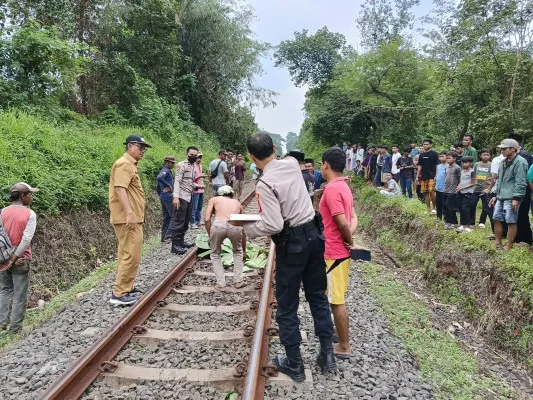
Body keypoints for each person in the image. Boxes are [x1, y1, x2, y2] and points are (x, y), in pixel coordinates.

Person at [242, 132, 336, 382]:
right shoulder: (293, 164)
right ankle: (328, 355)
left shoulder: (265, 184)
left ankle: (295, 363)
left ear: (252, 157)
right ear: (274, 147)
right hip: (315, 237)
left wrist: (248, 229)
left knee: (287, 305)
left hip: (292, 246)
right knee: (317, 296)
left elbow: (273, 224)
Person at [319, 147, 357, 359]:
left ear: (326, 164)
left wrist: (348, 241)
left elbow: (342, 222)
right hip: (339, 250)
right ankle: (337, 334)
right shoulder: (343, 186)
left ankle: (344, 346)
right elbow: (353, 218)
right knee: (335, 295)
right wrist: (350, 240)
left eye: (321, 165)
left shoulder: (332, 190)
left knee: (336, 300)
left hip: (333, 251)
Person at [108, 134, 151, 305]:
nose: (143, 151)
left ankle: (127, 287)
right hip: (128, 219)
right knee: (131, 255)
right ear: (131, 146)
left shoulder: (129, 164)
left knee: (128, 253)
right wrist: (129, 213)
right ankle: (119, 294)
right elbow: (120, 189)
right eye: (141, 148)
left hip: (130, 217)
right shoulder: (124, 164)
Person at [0, 182, 39, 332]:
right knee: (20, 293)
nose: (31, 197)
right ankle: (15, 328)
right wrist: (14, 259)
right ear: (22, 196)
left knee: (5, 290)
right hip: (20, 260)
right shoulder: (30, 214)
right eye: (30, 194)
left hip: (2, 260)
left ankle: (2, 324)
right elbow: (26, 239)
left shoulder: (2, 212)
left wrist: (6, 259)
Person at [490, 139, 529, 250]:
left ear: (513, 149)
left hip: (512, 196)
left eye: (504, 148)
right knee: (496, 218)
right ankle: (498, 242)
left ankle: (509, 245)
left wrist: (516, 198)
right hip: (501, 195)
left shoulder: (521, 162)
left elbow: (521, 181)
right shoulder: (504, 161)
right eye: (501, 148)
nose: (502, 150)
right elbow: (500, 179)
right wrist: (495, 194)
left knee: (511, 220)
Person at [204, 185, 246, 290]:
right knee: (237, 251)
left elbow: (206, 219)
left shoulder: (214, 199)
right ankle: (238, 281)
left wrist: (210, 235)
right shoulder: (237, 203)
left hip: (219, 225)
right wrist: (244, 250)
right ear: (231, 194)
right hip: (235, 227)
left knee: (215, 254)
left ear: (219, 194)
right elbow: (243, 225)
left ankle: (221, 284)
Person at [168, 146, 199, 255]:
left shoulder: (193, 166)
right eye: (191, 155)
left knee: (186, 221)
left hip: (189, 196)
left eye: (195, 155)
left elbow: (188, 181)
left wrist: (196, 185)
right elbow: (177, 181)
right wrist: (175, 197)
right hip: (181, 197)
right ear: (187, 154)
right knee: (179, 221)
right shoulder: (181, 165)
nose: (193, 157)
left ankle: (181, 241)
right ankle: (175, 245)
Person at [508, 133, 533, 246]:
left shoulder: (524, 155)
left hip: (523, 189)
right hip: (515, 188)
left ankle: (526, 238)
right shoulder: (513, 156)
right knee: (515, 214)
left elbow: (524, 175)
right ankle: (518, 237)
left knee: (522, 213)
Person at [156, 156, 176, 241]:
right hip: (167, 196)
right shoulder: (166, 170)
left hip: (163, 195)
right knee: (173, 215)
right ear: (167, 162)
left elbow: (157, 185)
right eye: (172, 163)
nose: (173, 165)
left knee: (166, 217)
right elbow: (159, 178)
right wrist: (169, 185)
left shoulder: (167, 171)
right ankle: (168, 236)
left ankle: (163, 237)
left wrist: (161, 193)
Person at [417, 139, 439, 214]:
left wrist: (436, 175)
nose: (425, 145)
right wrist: (417, 176)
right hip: (423, 176)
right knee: (425, 192)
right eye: (424, 144)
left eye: (427, 144)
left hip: (432, 176)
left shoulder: (434, 154)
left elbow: (437, 166)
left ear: (430, 145)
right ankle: (428, 208)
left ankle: (434, 208)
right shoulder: (421, 155)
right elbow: (420, 166)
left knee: (432, 191)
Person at [456, 156, 476, 233]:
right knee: (461, 208)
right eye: (463, 162)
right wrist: (459, 186)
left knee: (465, 208)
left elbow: (473, 183)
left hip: (468, 192)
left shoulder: (472, 172)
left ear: (470, 163)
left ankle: (468, 225)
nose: (464, 164)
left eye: (466, 162)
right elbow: (461, 181)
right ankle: (462, 224)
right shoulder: (462, 171)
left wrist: (463, 188)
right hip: (461, 192)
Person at [472, 150, 492, 229]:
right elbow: (473, 173)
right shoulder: (477, 164)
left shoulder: (491, 164)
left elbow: (494, 174)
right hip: (476, 188)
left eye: (487, 155)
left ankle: (482, 222)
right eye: (484, 155)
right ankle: (471, 222)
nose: (486, 156)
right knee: (472, 205)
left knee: (485, 206)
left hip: (486, 188)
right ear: (480, 156)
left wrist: (489, 182)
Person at [443, 152, 462, 229]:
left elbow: (460, 179)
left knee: (451, 207)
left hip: (453, 191)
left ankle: (454, 222)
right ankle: (448, 222)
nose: (447, 159)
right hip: (445, 190)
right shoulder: (446, 167)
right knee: (445, 207)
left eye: (449, 158)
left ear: (454, 158)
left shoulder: (457, 168)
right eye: (447, 158)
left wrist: (458, 187)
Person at [190, 152, 206, 229]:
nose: (199, 159)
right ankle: (192, 222)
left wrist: (202, 177)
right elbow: (191, 179)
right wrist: (200, 176)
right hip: (195, 189)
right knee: (194, 207)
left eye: (200, 158)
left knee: (199, 207)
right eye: (198, 158)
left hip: (201, 189)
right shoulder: (192, 166)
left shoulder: (200, 166)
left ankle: (197, 221)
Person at [435, 151, 448, 219]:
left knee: (444, 204)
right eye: (440, 156)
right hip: (438, 187)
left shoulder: (448, 166)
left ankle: (446, 218)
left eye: (442, 156)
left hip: (445, 188)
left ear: (446, 157)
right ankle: (438, 217)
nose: (441, 158)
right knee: (438, 203)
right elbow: (437, 175)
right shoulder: (438, 166)